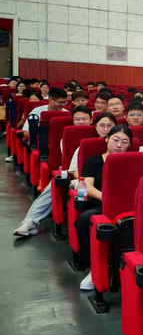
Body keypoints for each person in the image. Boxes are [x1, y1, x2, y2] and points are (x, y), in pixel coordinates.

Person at [13, 105, 94, 237]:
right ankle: (30, 222)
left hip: (96, 177)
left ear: (91, 120)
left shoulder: (101, 135)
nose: (81, 122)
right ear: (72, 121)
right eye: (77, 119)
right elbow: (67, 163)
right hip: (74, 175)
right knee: (53, 185)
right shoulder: (67, 137)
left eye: (84, 119)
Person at [75, 124, 134, 290]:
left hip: (127, 207)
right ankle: (94, 268)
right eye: (115, 140)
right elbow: (87, 186)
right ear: (107, 139)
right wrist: (107, 199)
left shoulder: (132, 162)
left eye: (124, 142)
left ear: (129, 145)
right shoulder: (93, 161)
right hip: (101, 205)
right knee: (85, 220)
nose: (119, 145)